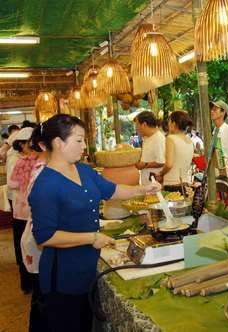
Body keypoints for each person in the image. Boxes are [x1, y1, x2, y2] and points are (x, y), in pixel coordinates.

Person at [28, 114, 160, 332]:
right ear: (59, 143)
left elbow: (112, 190)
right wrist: (92, 237)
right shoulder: (46, 185)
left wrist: (143, 189)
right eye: (78, 140)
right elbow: (45, 236)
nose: (84, 146)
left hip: (87, 267)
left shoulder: (83, 170)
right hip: (63, 276)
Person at [19, 125, 50, 332]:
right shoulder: (42, 171)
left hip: (37, 234)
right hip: (40, 239)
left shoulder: (46, 166)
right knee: (44, 298)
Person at [8, 127, 35, 293]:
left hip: (20, 209)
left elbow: (12, 184)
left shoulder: (20, 161)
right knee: (30, 245)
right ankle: (31, 281)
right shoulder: (37, 161)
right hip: (31, 209)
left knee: (24, 245)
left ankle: (26, 283)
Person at [156, 111, 194, 192]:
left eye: (169, 121)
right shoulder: (189, 140)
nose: (168, 124)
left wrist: (161, 173)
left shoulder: (171, 139)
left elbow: (169, 164)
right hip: (185, 183)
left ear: (173, 123)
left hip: (172, 184)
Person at [134, 111, 165, 185]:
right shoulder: (146, 138)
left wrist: (144, 165)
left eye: (137, 125)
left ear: (144, 124)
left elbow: (161, 162)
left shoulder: (158, 138)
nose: (136, 129)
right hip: (146, 181)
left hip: (155, 182)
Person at [210, 100, 228, 177]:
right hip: (216, 172)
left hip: (227, 173)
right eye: (211, 109)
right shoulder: (214, 130)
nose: (211, 111)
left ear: (223, 112)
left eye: (215, 109)